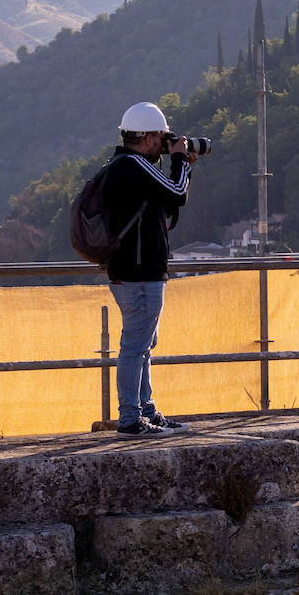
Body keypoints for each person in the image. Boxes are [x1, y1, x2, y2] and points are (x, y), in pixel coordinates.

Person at [103, 101, 198, 436]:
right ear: (147, 137)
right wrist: (179, 160)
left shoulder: (127, 165)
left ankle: (146, 410)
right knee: (135, 346)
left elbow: (169, 200)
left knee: (143, 344)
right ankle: (131, 418)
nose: (165, 143)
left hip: (135, 271)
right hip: (139, 272)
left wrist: (182, 163)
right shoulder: (132, 165)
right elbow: (177, 193)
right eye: (161, 137)